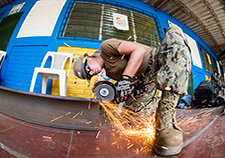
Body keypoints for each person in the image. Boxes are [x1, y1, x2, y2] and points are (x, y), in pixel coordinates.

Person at [72, 23, 191, 156]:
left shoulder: (106, 47)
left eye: (87, 69)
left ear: (88, 58)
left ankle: (166, 117)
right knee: (132, 122)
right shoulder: (109, 74)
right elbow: (130, 80)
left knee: (176, 47)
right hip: (146, 78)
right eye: (89, 75)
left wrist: (125, 79)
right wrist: (132, 87)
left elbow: (139, 51)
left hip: (155, 59)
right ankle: (154, 109)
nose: (91, 73)